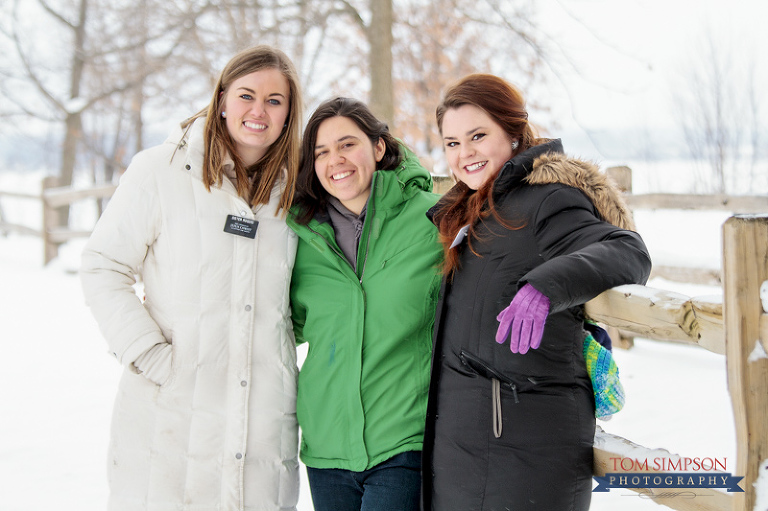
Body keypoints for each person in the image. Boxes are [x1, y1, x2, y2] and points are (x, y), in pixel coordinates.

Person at [80, 45, 303, 511]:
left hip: (261, 421)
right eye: (246, 95)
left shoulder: (297, 193)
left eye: (274, 100)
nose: (258, 111)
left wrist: (277, 347)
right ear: (222, 100)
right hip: (170, 417)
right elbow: (104, 265)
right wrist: (149, 354)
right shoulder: (160, 171)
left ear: (288, 113)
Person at [421, 73, 653, 511]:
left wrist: (545, 288)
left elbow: (628, 251)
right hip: (462, 456)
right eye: (451, 142)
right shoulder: (474, 208)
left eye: (477, 136)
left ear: (512, 133)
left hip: (526, 455)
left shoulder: (548, 199)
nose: (464, 153)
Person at [288, 97, 443, 511]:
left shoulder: (432, 220)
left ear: (378, 148)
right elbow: (273, 316)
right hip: (327, 444)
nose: (335, 160)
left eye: (347, 144)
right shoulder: (299, 237)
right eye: (321, 152)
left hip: (403, 437)